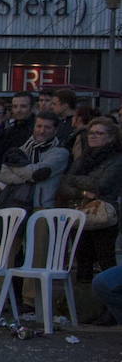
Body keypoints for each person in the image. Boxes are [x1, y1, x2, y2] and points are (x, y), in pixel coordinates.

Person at [57, 117, 122, 282]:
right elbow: (64, 185)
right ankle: (84, 303)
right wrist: (84, 193)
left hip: (103, 214)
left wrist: (75, 180)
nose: (93, 136)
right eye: (91, 133)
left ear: (111, 137)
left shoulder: (116, 159)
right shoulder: (82, 159)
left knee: (105, 259)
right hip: (80, 212)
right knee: (82, 260)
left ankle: (110, 301)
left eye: (99, 133)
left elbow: (100, 185)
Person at [0, 111, 69, 212]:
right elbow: (2, 174)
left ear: (55, 130)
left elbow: (36, 174)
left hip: (42, 206)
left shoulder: (60, 153)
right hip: (16, 204)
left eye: (47, 127)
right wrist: (28, 176)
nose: (42, 131)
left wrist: (17, 169)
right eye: (39, 126)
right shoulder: (25, 147)